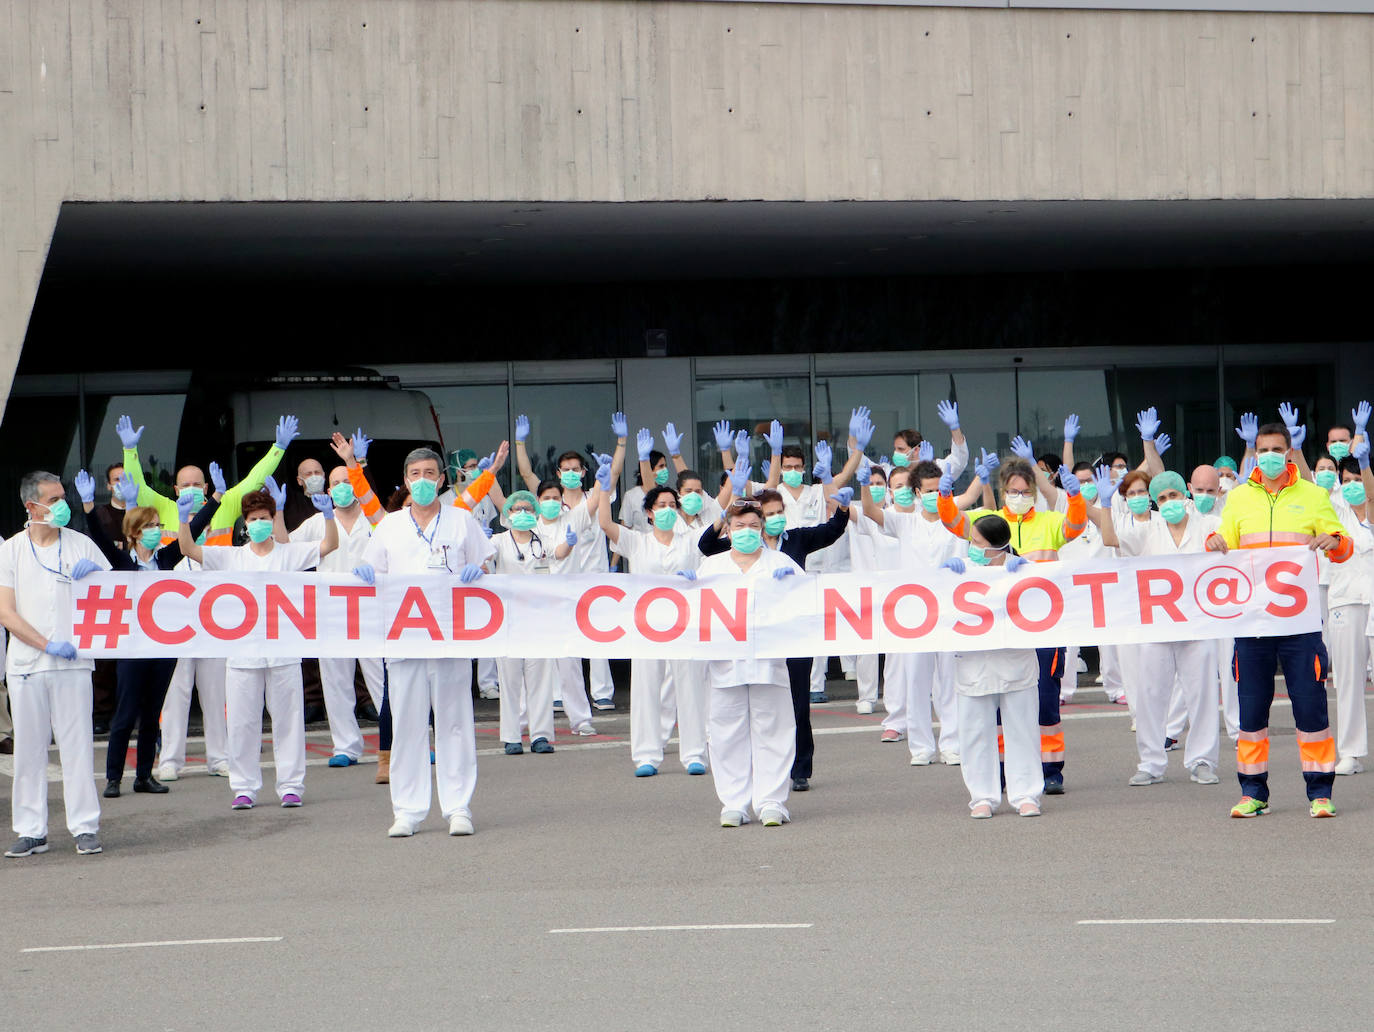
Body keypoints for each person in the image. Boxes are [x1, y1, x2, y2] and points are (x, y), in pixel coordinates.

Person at [1206, 421, 1353, 818]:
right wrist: (1213, 542)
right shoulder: (1238, 498)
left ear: (1289, 452)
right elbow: (1222, 542)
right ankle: (1253, 792)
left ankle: (1320, 792)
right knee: (1251, 714)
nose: (1269, 456)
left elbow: (1343, 544)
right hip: (1252, 625)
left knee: (1312, 711)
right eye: (1262, 449)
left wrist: (1334, 541)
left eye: (1276, 449)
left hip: (1300, 627)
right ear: (1254, 453)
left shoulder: (1312, 494)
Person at [356, 447, 495, 838]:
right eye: (415, 473)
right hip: (403, 641)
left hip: (450, 637)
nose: (422, 480)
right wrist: (365, 574)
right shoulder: (389, 527)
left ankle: (458, 807)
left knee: (454, 724)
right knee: (408, 727)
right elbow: (375, 575)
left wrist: (477, 571)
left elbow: (485, 566)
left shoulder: (461, 520)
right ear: (405, 479)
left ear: (441, 479)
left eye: (429, 473)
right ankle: (408, 811)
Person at [699, 457, 855, 792]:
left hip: (791, 634)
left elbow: (830, 532)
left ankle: (799, 768)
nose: (774, 519)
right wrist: (729, 508)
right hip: (751, 636)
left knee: (797, 701)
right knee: (751, 711)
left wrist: (841, 509)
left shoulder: (796, 541)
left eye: (778, 513)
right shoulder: (739, 542)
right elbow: (706, 546)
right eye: (767, 515)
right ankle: (753, 775)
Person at [179, 484, 338, 811]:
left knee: (288, 723)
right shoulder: (232, 556)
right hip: (241, 656)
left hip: (283, 654)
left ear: (272, 518)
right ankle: (244, 788)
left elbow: (329, 545)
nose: (259, 523)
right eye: (253, 519)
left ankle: (291, 786)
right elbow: (189, 550)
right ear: (245, 523)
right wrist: (184, 521)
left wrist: (328, 515)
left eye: (265, 517)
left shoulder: (288, 553)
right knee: (241, 725)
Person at [937, 456, 1086, 794]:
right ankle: (1005, 772)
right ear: (1003, 491)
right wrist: (945, 495)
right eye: (1012, 491)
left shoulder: (1048, 522)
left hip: (1044, 626)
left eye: (1024, 490)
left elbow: (1075, 527)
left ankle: (1050, 770)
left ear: (1034, 491)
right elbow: (952, 521)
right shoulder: (989, 521)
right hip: (1002, 628)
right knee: (1003, 704)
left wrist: (1076, 499)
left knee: (1046, 697)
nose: (1018, 496)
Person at [77, 470, 218, 798]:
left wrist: (215, 500)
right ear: (136, 533)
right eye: (151, 527)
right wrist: (87, 505)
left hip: (163, 647)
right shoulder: (123, 562)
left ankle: (144, 776)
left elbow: (194, 530)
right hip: (132, 647)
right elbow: (98, 535)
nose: (157, 532)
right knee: (125, 714)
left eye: (158, 526)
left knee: (151, 714)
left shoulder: (167, 559)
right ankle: (114, 777)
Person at [0, 471, 111, 857]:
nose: (62, 504)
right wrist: (47, 644)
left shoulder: (82, 545)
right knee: (29, 749)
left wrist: (96, 574)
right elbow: (6, 613)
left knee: (77, 746)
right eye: (54, 498)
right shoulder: (11, 550)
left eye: (64, 496)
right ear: (32, 506)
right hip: (28, 665)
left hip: (74, 664)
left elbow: (115, 594)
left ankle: (85, 827)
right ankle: (31, 830)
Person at [694, 499, 804, 827]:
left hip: (769, 662)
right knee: (726, 733)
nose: (746, 532)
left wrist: (794, 584)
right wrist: (683, 587)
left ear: (763, 529)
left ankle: (772, 802)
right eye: (739, 526)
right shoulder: (711, 567)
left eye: (753, 526)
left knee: (774, 730)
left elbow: (808, 603)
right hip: (725, 663)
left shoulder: (780, 562)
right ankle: (734, 803)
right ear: (727, 530)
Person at [1113, 471, 1222, 787]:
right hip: (1156, 628)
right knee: (1150, 697)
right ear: (1154, 502)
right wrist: (1106, 505)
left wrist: (1222, 543)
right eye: (1162, 498)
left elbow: (1235, 552)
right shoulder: (1148, 530)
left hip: (1198, 625)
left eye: (1174, 495)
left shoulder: (1209, 525)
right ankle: (1151, 762)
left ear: (1185, 495)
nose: (1169, 502)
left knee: (1201, 694)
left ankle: (1202, 760)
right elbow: (1111, 539)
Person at [597, 465, 706, 777]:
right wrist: (605, 488)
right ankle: (647, 755)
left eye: (674, 505)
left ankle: (695, 753)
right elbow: (605, 523)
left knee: (690, 689)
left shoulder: (691, 540)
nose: (669, 510)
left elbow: (721, 529)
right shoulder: (637, 542)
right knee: (646, 690)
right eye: (662, 506)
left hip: (685, 626)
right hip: (645, 628)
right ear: (648, 512)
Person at [291, 432, 388, 769]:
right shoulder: (316, 522)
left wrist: (353, 461)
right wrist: (274, 510)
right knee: (335, 680)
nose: (343, 486)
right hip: (331, 610)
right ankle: (346, 745)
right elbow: (283, 550)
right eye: (336, 483)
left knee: (382, 678)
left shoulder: (377, 520)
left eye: (349, 480)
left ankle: (401, 740)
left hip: (372, 607)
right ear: (327, 490)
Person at [517, 411, 626, 711]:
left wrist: (621, 442)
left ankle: (601, 691)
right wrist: (520, 443)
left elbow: (613, 474)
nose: (570, 473)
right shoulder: (552, 501)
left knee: (597, 635)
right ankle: (557, 693)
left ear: (583, 471)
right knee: (559, 634)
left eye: (575, 468)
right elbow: (527, 476)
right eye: (565, 469)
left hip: (594, 576)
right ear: (558, 470)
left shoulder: (595, 496)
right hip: (561, 578)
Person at [941, 515, 1043, 818]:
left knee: (1022, 730)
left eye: (977, 543)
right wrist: (942, 575)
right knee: (974, 733)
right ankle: (982, 796)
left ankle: (1026, 794)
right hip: (974, 665)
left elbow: (1047, 595)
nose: (971, 547)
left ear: (998, 546)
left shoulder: (1022, 569)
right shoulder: (962, 570)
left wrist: (1025, 570)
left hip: (1016, 663)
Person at [861, 460, 962, 765]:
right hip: (915, 615)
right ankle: (921, 747)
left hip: (950, 612)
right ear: (918, 492)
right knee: (916, 682)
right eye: (930, 491)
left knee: (950, 682)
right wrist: (865, 484)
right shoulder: (905, 522)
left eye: (941, 489)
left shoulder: (957, 521)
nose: (936, 495)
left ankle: (951, 743)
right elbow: (870, 512)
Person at [115, 412, 297, 547]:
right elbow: (136, 485)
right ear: (177, 490)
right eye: (186, 485)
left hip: (217, 588)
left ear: (205, 488)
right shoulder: (163, 508)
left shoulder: (224, 504)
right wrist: (130, 450)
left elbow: (254, 480)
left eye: (196, 485)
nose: (191, 488)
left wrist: (278, 448)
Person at [485, 491, 571, 756]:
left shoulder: (542, 540)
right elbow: (482, 562)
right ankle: (511, 736)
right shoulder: (497, 541)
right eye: (516, 509)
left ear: (534, 512)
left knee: (540, 681)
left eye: (526, 508)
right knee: (509, 681)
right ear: (507, 514)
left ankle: (541, 736)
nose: (521, 513)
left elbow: (558, 554)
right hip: (508, 619)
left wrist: (570, 544)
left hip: (538, 620)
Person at [1327, 451, 1373, 775]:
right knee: (1347, 679)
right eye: (1347, 481)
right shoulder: (1335, 510)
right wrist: (1297, 451)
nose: (1352, 486)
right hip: (1345, 600)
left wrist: (1365, 463)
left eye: (1357, 479)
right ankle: (1350, 752)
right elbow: (1306, 481)